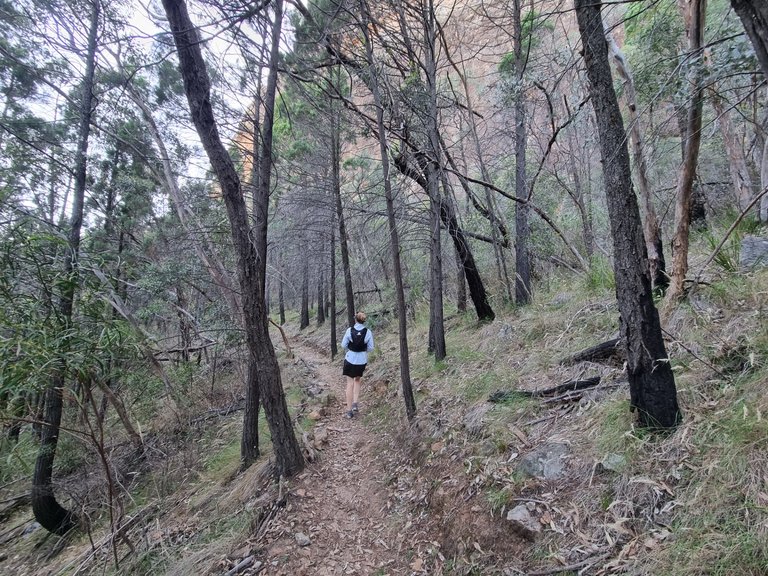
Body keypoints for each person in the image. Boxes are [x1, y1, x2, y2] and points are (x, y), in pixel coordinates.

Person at [341, 311, 374, 419]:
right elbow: (370, 348)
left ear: (355, 319)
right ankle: (355, 403)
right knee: (357, 380)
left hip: (350, 359)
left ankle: (349, 411)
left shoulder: (349, 330)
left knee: (349, 384)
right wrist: (362, 350)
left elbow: (343, 345)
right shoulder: (368, 332)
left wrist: (350, 349)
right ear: (364, 320)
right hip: (361, 360)